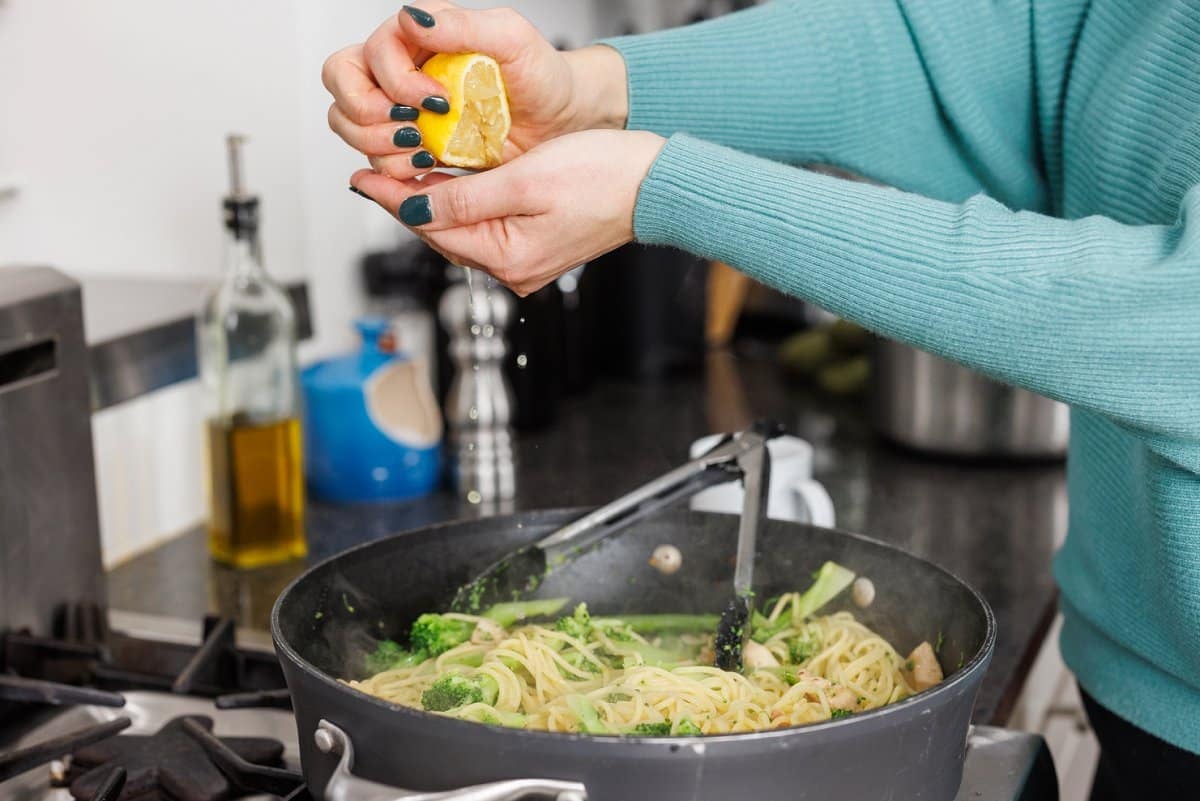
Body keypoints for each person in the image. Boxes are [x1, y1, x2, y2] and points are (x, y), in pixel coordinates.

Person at [322, 2, 1200, 797]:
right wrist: (593, 90)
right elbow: (972, 51)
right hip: (1135, 695)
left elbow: (1176, 315)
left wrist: (662, 189)